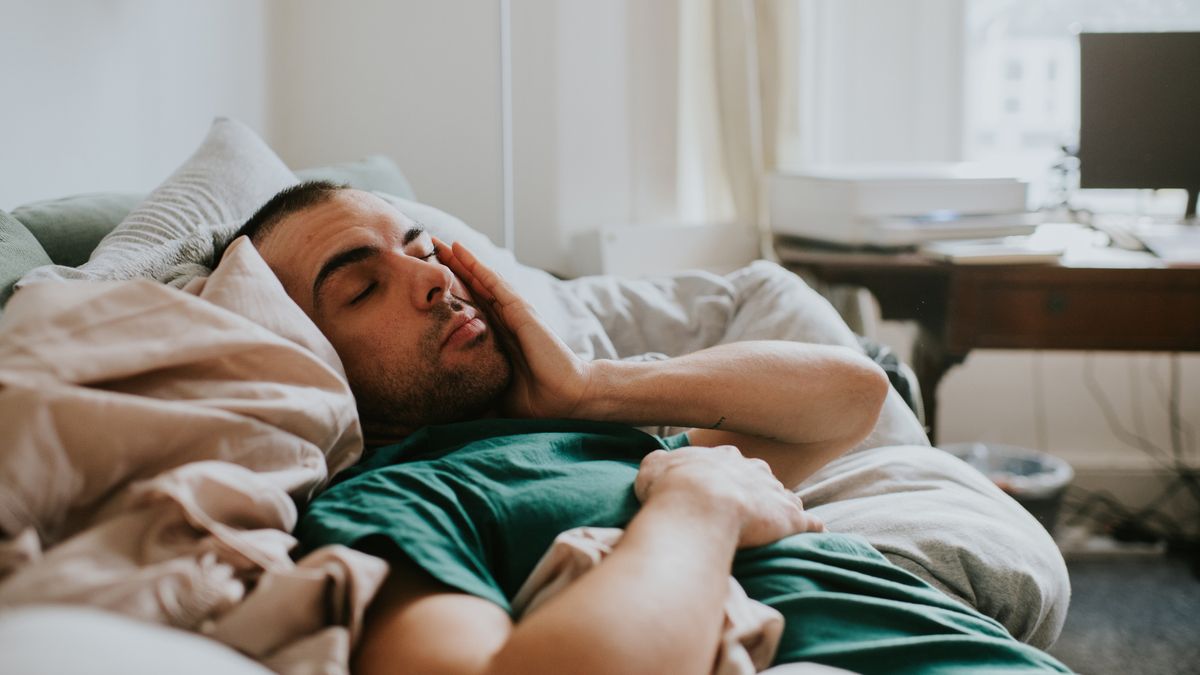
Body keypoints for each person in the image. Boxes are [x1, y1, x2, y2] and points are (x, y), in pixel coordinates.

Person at [231, 181, 1070, 674]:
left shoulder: (588, 437)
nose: (429, 282)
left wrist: (591, 387)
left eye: (420, 248)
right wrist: (700, 505)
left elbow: (852, 398)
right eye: (360, 287)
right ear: (309, 351)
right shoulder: (392, 504)